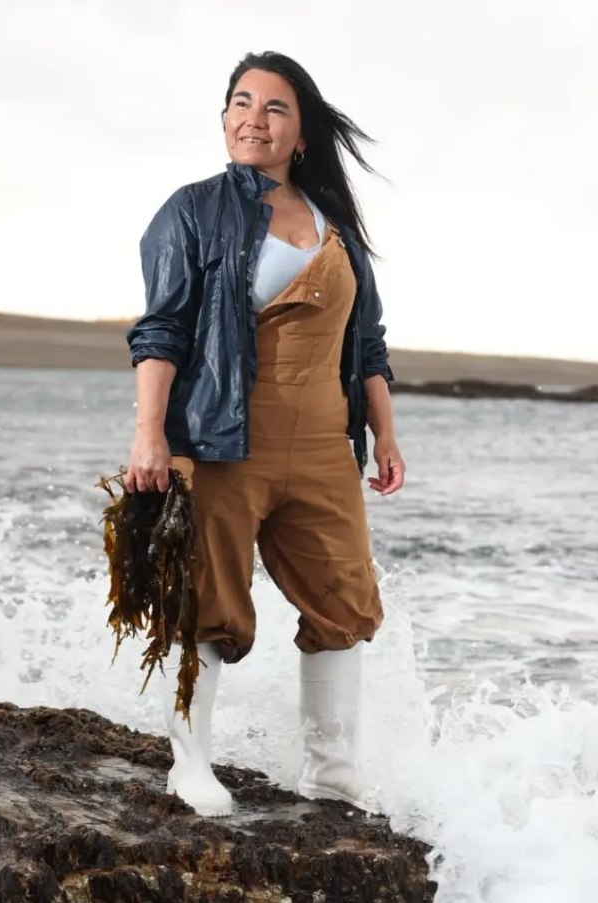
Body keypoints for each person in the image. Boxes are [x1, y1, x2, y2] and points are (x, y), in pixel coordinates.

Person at [124, 51, 404, 817]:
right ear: (224, 120)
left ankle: (333, 777)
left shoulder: (337, 227)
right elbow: (161, 331)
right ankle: (189, 766)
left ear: (301, 133)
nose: (254, 119)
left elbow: (368, 344)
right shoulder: (191, 210)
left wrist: (384, 434)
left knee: (343, 602)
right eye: (241, 103)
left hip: (324, 446)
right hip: (222, 439)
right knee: (207, 599)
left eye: (274, 107)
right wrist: (150, 434)